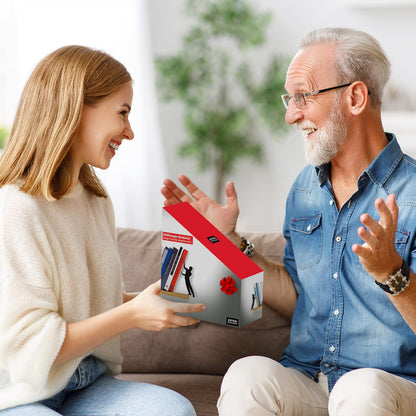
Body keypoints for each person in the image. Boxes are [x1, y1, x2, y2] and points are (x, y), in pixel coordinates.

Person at [161, 27, 416, 415]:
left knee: (360, 390)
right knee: (247, 376)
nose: (290, 114)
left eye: (303, 96)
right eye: (289, 98)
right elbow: (296, 294)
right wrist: (228, 242)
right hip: (309, 378)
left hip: (390, 386)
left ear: (356, 97)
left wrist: (391, 273)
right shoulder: (305, 188)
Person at [0, 45, 206, 416]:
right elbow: (32, 343)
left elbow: (84, 306)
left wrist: (146, 302)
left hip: (88, 381)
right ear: (77, 108)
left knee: (172, 411)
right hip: (22, 392)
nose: (128, 132)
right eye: (122, 113)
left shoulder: (94, 199)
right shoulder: (15, 207)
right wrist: (132, 315)